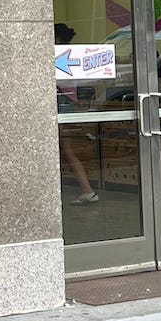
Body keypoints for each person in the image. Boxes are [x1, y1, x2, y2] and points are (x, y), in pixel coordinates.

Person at [55, 22, 98, 204]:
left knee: (67, 151)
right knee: (67, 151)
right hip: (67, 105)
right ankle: (87, 190)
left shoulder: (59, 56)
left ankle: (88, 190)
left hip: (62, 105)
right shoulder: (68, 55)